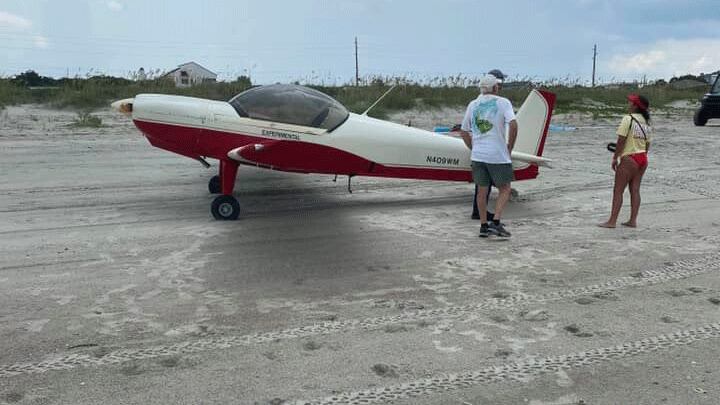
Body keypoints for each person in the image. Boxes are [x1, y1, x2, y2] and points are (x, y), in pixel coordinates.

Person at [459, 74, 518, 238]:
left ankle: (483, 226)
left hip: (478, 155)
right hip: (497, 154)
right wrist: (510, 147)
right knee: (505, 188)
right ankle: (496, 222)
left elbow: (464, 131)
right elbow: (513, 124)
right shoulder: (503, 102)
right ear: (495, 88)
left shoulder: (473, 104)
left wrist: (474, 147)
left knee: (481, 191)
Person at [599, 94, 652, 228]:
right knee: (635, 190)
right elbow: (647, 145)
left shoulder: (628, 119)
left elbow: (621, 140)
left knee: (618, 190)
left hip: (630, 158)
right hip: (642, 158)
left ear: (635, 106)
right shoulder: (646, 123)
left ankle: (612, 221)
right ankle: (632, 220)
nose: (629, 104)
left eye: (631, 103)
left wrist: (615, 157)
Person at [470, 69, 507, 220]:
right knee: (487, 184)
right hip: (488, 149)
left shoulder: (477, 101)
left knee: (482, 184)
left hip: (479, 148)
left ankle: (478, 212)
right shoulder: (496, 102)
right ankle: (479, 213)